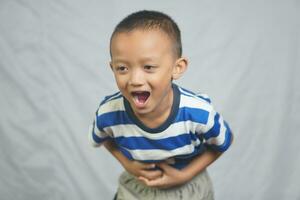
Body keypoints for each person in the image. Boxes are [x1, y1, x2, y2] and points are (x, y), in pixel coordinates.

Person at [89, 10, 233, 200]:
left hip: (189, 189)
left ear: (176, 68)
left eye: (148, 67)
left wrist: (184, 175)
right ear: (112, 68)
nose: (135, 79)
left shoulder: (198, 113)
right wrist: (128, 165)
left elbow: (223, 142)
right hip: (137, 189)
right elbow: (102, 138)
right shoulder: (109, 113)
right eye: (122, 68)